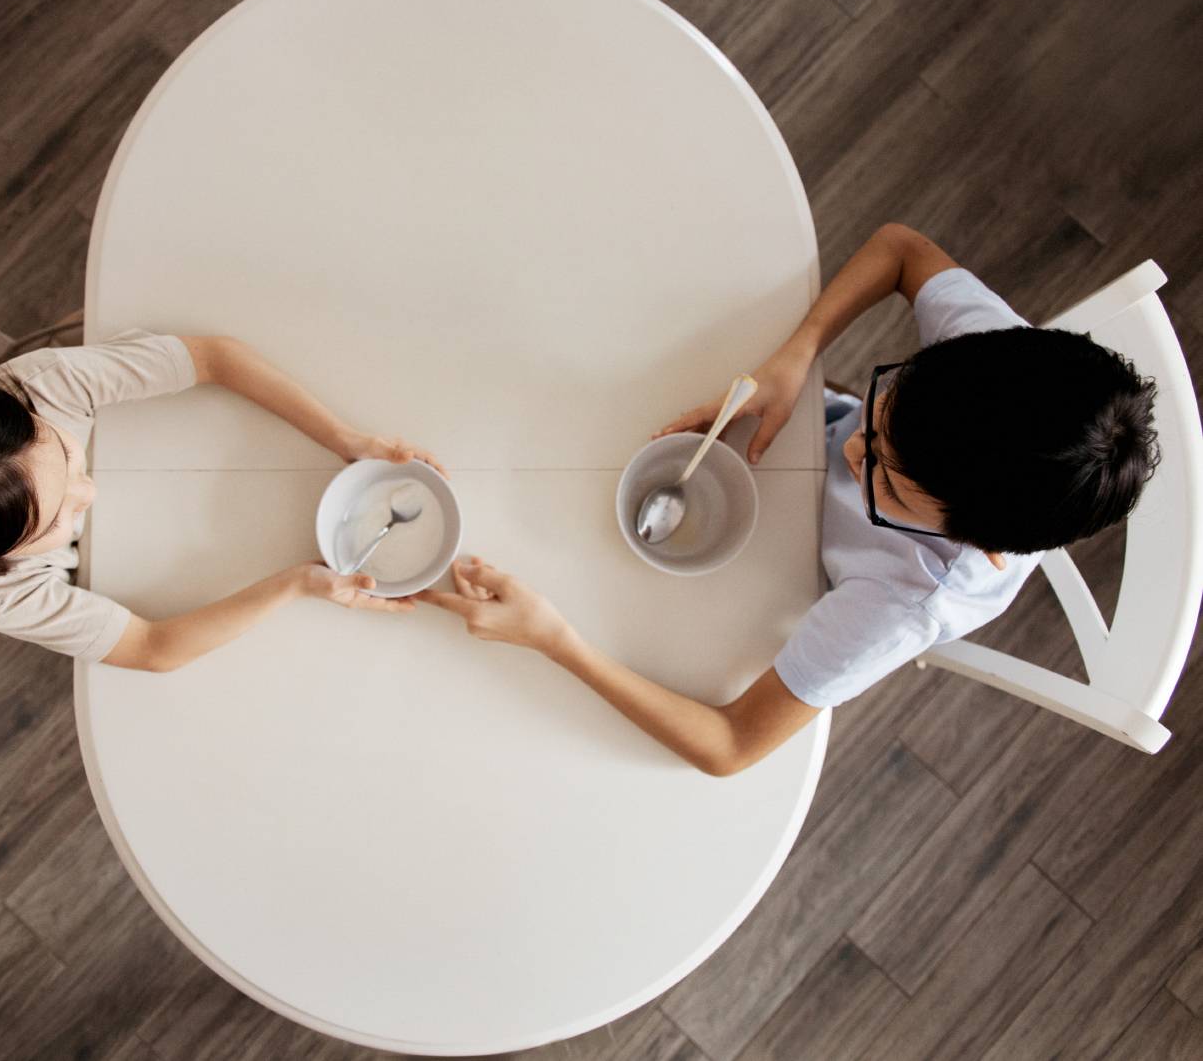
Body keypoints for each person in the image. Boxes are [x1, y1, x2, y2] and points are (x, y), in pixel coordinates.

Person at [418, 224, 1160, 774]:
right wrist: (796, 354)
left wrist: (555, 640)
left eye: (883, 478)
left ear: (976, 542)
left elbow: (731, 744)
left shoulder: (901, 603)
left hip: (786, 580)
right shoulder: (986, 361)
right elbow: (901, 249)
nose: (852, 447)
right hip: (773, 445)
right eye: (884, 404)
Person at [0, 330, 442, 671]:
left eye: (66, 455)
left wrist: (346, 439)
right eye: (54, 521)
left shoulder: (42, 386)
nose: (89, 493)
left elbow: (211, 357)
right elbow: (152, 648)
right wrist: (297, 584)